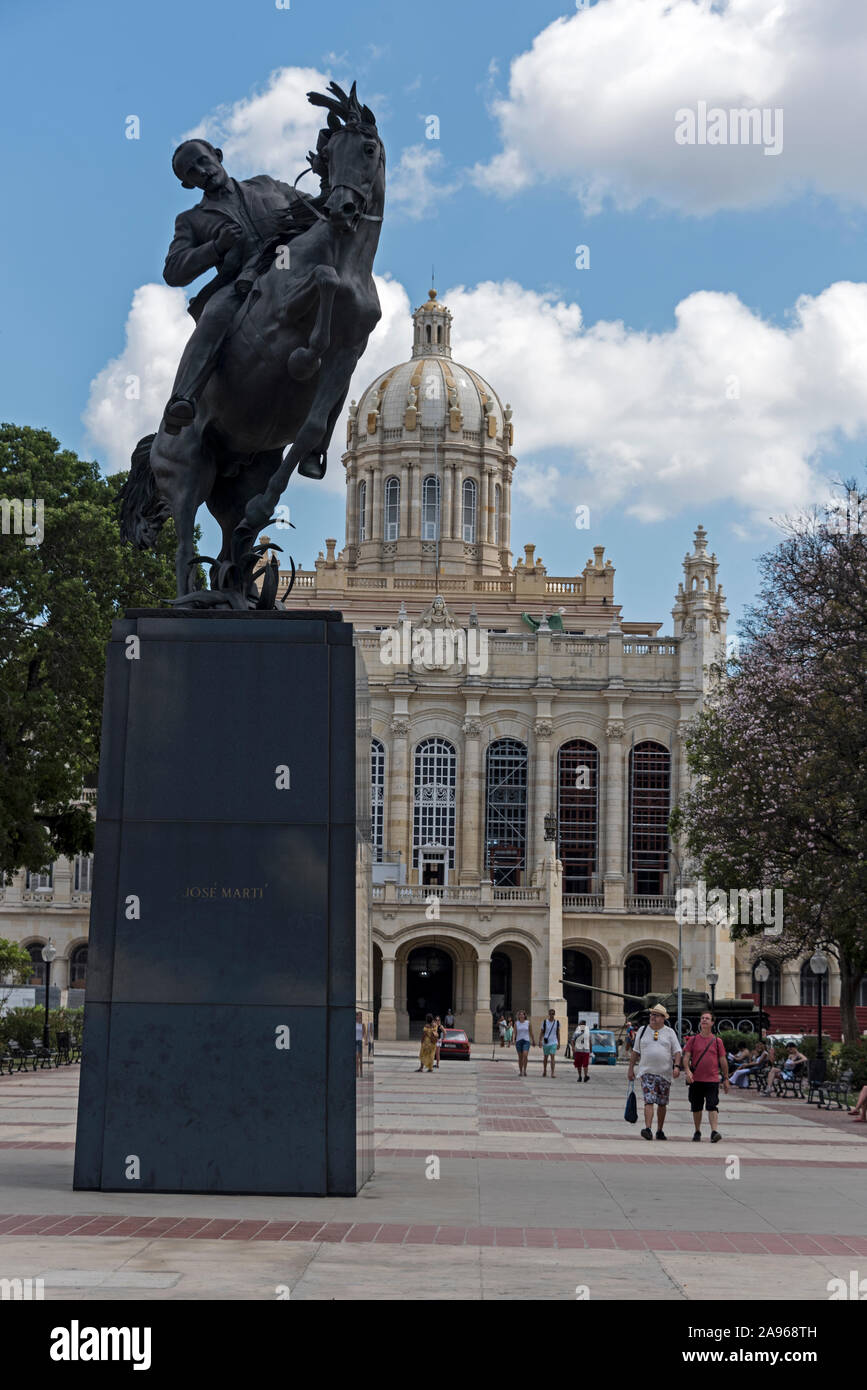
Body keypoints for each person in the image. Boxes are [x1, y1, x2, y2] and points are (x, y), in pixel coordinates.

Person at [160, 139, 319, 434]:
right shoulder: (191, 220)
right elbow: (173, 272)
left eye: (203, 161)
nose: (202, 171)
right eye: (191, 172)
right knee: (214, 315)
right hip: (240, 285)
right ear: (187, 184)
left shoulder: (266, 184)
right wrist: (215, 247)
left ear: (217, 156)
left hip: (289, 265)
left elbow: (313, 208)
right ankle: (183, 397)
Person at [628, 1004, 682, 1140]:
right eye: (652, 1014)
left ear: (663, 1018)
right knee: (649, 1100)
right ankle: (648, 1128)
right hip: (647, 1072)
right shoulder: (642, 1030)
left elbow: (677, 1051)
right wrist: (631, 1069)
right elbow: (635, 1051)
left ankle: (660, 1130)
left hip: (665, 1073)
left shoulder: (669, 1032)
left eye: (656, 1015)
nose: (653, 1017)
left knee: (662, 1103)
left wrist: (676, 1066)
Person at [682, 1011, 730, 1141]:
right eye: (702, 1018)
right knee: (696, 1107)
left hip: (712, 1079)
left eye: (707, 1019)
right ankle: (697, 1131)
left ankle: (714, 1132)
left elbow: (723, 1060)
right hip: (696, 1079)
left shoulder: (717, 1041)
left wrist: (726, 1078)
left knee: (712, 1105)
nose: (704, 1020)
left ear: (712, 1023)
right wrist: (687, 1071)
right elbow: (686, 1057)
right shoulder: (693, 1040)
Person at [514, 1010, 535, 1076]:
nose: (521, 1016)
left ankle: (525, 1070)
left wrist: (533, 1040)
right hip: (518, 1041)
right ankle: (520, 1071)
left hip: (526, 1041)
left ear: (524, 1016)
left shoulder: (528, 1023)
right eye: (520, 1014)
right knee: (520, 1057)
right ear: (518, 1016)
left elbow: (531, 1032)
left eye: (523, 1014)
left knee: (525, 1055)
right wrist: (513, 1040)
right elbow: (515, 1033)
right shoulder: (516, 1023)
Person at [540, 1009, 560, 1077]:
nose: (551, 1015)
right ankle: (545, 1070)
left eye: (553, 1014)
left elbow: (558, 1033)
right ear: (549, 1014)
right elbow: (542, 1032)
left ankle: (552, 1073)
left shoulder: (557, 1022)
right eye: (550, 1014)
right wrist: (540, 1041)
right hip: (546, 1042)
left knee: (552, 1056)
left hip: (554, 1042)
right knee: (545, 1057)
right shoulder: (545, 1022)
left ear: (554, 1014)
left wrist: (559, 1043)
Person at [572, 1018, 591, 1083]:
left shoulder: (587, 1029)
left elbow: (589, 1039)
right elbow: (573, 1039)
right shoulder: (578, 1029)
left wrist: (590, 1048)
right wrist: (573, 1048)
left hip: (585, 1049)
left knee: (585, 1064)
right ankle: (580, 1076)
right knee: (579, 1064)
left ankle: (585, 1076)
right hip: (579, 1049)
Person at [355, 1011, 365, 1078]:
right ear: (356, 1016)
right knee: (356, 1057)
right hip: (355, 1041)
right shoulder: (354, 1024)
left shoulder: (363, 1025)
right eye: (359, 1015)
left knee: (360, 1058)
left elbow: (364, 1034)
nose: (360, 1016)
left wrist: (366, 1040)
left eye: (361, 1015)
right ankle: (357, 1072)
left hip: (360, 1041)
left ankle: (361, 1072)